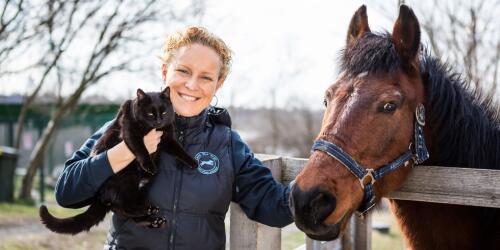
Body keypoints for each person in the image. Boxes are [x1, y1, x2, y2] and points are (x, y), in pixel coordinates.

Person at [54, 26, 294, 250]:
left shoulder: (227, 143)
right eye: (183, 71)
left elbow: (273, 206)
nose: (191, 84)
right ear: (165, 71)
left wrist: (323, 176)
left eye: (206, 77)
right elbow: (67, 193)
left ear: (218, 84)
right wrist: (125, 151)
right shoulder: (125, 125)